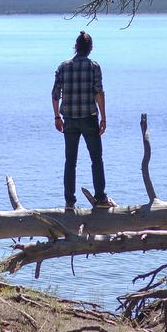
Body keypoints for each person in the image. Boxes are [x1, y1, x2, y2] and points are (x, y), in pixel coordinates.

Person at [51, 31, 109, 210]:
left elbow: (55, 95)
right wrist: (104, 117)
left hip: (69, 119)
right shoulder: (94, 66)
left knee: (70, 161)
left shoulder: (63, 66)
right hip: (89, 118)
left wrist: (57, 117)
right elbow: (99, 92)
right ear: (90, 48)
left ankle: (70, 202)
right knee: (96, 159)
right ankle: (100, 198)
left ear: (76, 47)